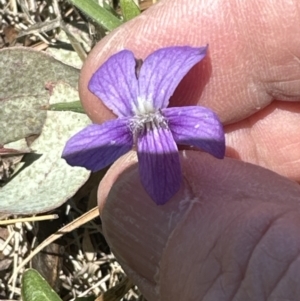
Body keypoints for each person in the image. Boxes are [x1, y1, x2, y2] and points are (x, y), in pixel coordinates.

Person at [79, 0, 300, 299]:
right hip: (138, 114)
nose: (152, 139)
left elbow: (208, 130)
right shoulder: (136, 111)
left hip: (149, 114)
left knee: (165, 185)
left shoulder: (159, 117)